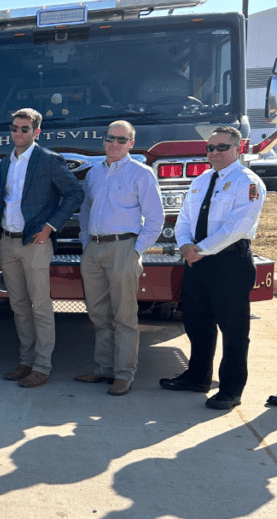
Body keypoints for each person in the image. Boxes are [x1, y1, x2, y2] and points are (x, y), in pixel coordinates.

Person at [161, 126, 266, 410]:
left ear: (238, 149)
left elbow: (237, 227)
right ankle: (197, 377)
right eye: (210, 148)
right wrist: (185, 245)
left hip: (230, 263)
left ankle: (231, 390)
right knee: (197, 323)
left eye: (222, 147)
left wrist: (199, 250)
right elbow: (184, 218)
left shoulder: (248, 182)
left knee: (233, 330)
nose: (215, 153)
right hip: (196, 261)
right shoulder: (201, 180)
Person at [75, 121, 164, 396]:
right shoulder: (93, 174)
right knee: (99, 314)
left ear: (130, 144)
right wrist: (85, 242)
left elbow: (155, 219)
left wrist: (136, 251)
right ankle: (103, 369)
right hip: (94, 249)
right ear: (104, 140)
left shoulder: (142, 174)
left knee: (124, 315)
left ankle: (124, 374)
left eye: (121, 140)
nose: (114, 144)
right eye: (110, 138)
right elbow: (85, 210)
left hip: (124, 247)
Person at [0, 108, 83, 388]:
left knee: (41, 306)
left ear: (36, 132)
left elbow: (75, 193)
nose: (18, 133)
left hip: (35, 241)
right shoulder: (6, 161)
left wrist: (50, 227)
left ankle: (42, 366)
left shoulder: (48, 160)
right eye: (14, 128)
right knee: (19, 306)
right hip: (8, 241)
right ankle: (26, 361)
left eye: (24, 129)